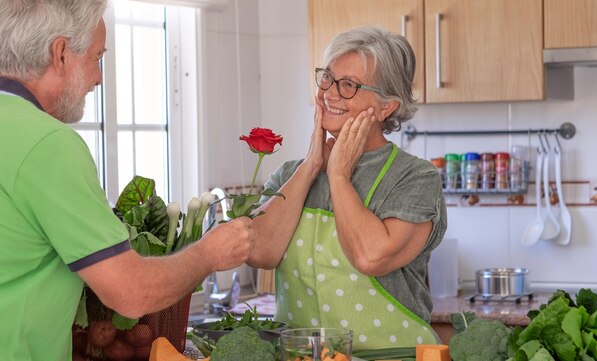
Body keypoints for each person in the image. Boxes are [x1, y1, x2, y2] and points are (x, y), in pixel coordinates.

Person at [0, 1, 255, 360]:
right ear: (59, 53)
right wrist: (210, 252)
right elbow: (131, 292)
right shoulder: (46, 143)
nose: (99, 78)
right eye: (96, 58)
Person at [248, 25, 447, 349]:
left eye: (349, 85)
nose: (330, 93)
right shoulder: (289, 174)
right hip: (303, 357)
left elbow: (371, 257)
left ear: (387, 106)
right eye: (327, 77)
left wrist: (338, 175)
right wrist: (312, 165)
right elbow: (258, 252)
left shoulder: (414, 178)